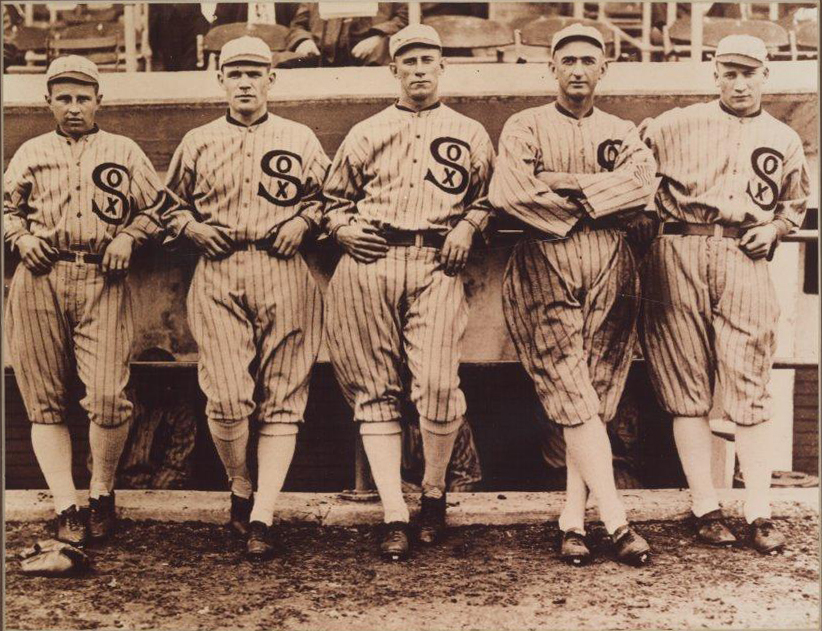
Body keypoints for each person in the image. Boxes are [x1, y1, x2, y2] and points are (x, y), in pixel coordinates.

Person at [322, 23, 495, 561]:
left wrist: (469, 226)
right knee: (374, 390)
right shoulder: (367, 130)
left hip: (436, 259)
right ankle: (395, 510)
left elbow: (490, 196)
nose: (419, 69)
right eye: (409, 61)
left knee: (439, 386)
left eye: (428, 60)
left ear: (442, 67)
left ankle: (435, 496)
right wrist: (342, 228)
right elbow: (332, 201)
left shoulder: (469, 131)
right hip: (371, 258)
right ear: (393, 69)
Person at [489, 24, 657, 567]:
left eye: (589, 60)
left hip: (612, 262)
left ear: (603, 69)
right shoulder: (525, 124)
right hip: (544, 257)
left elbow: (643, 187)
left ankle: (571, 521)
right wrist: (597, 196)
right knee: (571, 391)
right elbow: (511, 192)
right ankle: (616, 520)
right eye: (569, 60)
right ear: (552, 68)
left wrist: (562, 182)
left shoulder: (622, 129)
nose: (578, 69)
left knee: (596, 397)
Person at [639, 34, 809, 555]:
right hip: (679, 249)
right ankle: (705, 507)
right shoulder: (672, 124)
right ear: (715, 73)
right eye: (729, 72)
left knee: (750, 383)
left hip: (743, 254)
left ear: (766, 76)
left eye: (749, 73)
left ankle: (759, 510)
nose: (739, 82)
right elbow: (632, 171)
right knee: (685, 383)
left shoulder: (783, 137)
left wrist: (778, 228)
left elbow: (795, 203)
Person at [162, 36, 329, 561]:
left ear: (271, 79)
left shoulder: (299, 136)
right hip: (219, 266)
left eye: (255, 73)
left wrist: (304, 221)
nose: (245, 82)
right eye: (235, 73)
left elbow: (330, 198)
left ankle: (263, 514)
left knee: (284, 396)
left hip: (283, 266)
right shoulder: (198, 140)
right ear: (220, 80)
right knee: (229, 397)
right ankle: (240, 487)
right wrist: (191, 228)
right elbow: (166, 207)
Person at [4, 55, 170, 546]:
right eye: (64, 98)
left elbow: (158, 209)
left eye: (83, 98)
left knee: (106, 397)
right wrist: (18, 237)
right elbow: (7, 208)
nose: (74, 107)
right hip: (41, 275)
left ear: (100, 100)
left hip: (103, 275)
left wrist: (129, 237)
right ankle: (65, 506)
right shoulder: (31, 151)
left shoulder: (123, 149)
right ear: (49, 101)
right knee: (45, 401)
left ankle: (101, 493)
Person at [87, 347, 198, 490]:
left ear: (170, 382)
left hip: (160, 492)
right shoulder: (119, 405)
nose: (152, 385)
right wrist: (112, 489)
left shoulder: (180, 413)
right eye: (147, 378)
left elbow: (176, 466)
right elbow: (96, 459)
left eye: (160, 380)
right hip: (116, 486)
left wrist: (149, 497)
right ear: (137, 378)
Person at [288, 2, 408, 67]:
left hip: (370, 58)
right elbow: (298, 25)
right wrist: (303, 41)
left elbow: (407, 17)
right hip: (321, 56)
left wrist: (378, 36)